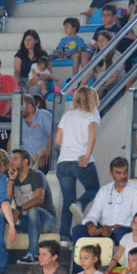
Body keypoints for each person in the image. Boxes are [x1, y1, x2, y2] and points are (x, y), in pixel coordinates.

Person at [54, 86, 101, 243]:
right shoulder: (93, 114)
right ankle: (80, 204)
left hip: (63, 162)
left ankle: (64, 236)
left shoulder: (67, 115)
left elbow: (58, 140)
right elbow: (92, 135)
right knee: (94, 189)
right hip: (81, 159)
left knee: (67, 201)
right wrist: (87, 155)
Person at [71, 156, 137, 248]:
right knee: (78, 230)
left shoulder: (136, 190)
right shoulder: (104, 190)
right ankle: (81, 258)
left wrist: (112, 228)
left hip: (124, 231)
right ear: (111, 174)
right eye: (118, 173)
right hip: (104, 231)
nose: (123, 176)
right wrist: (91, 225)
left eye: (125, 172)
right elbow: (92, 215)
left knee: (120, 232)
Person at [9, 148, 56, 265]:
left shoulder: (36, 175)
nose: (11, 162)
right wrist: (11, 180)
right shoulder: (13, 177)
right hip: (26, 222)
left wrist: (19, 209)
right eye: (11, 159)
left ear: (25, 162)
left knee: (32, 209)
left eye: (15, 159)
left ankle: (33, 255)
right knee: (2, 211)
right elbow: (7, 201)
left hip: (46, 221)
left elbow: (38, 200)